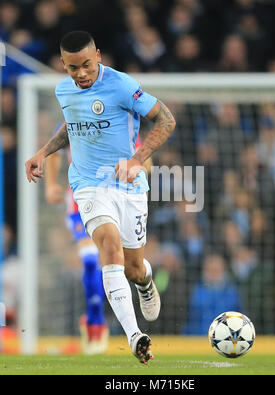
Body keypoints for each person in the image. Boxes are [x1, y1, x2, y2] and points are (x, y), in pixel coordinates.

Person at [25, 30, 176, 364]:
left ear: (99, 57)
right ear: (63, 65)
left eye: (86, 66)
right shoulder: (63, 90)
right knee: (109, 248)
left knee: (133, 267)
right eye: (72, 67)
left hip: (129, 187)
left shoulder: (122, 85)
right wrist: (44, 151)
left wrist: (138, 160)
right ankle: (135, 335)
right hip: (87, 185)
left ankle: (145, 282)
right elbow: (70, 125)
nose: (80, 74)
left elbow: (166, 118)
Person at [45, 145, 109, 355]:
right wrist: (50, 184)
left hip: (111, 198)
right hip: (78, 199)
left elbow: (142, 155)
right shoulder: (73, 119)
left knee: (110, 263)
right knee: (90, 260)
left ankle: (94, 318)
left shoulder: (117, 118)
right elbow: (53, 150)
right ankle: (96, 324)